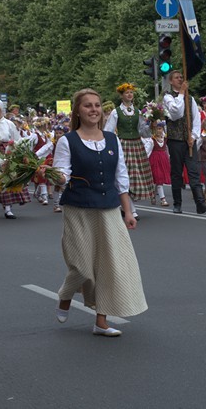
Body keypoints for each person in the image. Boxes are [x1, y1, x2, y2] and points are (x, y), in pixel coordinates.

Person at [49, 88, 147, 337]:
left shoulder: (112, 140)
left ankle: (100, 320)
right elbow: (62, 173)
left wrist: (128, 213)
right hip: (78, 208)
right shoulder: (67, 141)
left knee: (109, 265)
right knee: (82, 266)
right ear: (78, 111)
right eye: (87, 106)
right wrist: (56, 176)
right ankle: (65, 295)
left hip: (108, 209)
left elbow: (120, 177)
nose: (93, 110)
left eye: (97, 105)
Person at [162, 70, 206, 214]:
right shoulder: (168, 98)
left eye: (181, 77)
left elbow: (196, 120)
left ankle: (200, 203)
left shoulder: (190, 99)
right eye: (177, 78)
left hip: (188, 141)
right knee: (177, 173)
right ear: (171, 82)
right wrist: (181, 93)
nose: (180, 80)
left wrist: (194, 136)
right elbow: (176, 112)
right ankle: (177, 204)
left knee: (194, 171)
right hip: (175, 140)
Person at [103, 82, 155, 219]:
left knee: (136, 176)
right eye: (127, 92)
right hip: (124, 145)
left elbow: (144, 132)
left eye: (131, 92)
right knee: (124, 175)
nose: (130, 94)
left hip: (136, 145)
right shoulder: (116, 112)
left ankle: (127, 206)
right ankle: (130, 209)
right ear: (121, 96)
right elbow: (108, 131)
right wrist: (111, 146)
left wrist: (151, 124)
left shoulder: (138, 111)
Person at [0, 99, 30, 219]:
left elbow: (16, 140)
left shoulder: (9, 124)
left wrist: (18, 153)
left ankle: (8, 209)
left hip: (6, 153)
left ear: (1, 109)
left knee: (6, 179)